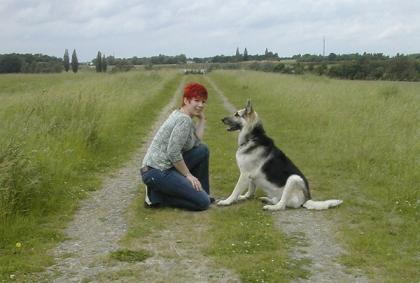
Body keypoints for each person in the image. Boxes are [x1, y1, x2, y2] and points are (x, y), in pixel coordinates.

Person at [140, 82, 213, 211]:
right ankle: (157, 196)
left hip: (164, 167)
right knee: (203, 203)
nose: (201, 105)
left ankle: (202, 191)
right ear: (186, 100)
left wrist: (202, 120)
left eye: (203, 101)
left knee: (202, 150)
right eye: (196, 100)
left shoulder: (181, 114)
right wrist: (188, 175)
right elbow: (173, 153)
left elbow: (196, 143)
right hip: (157, 171)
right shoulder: (183, 120)